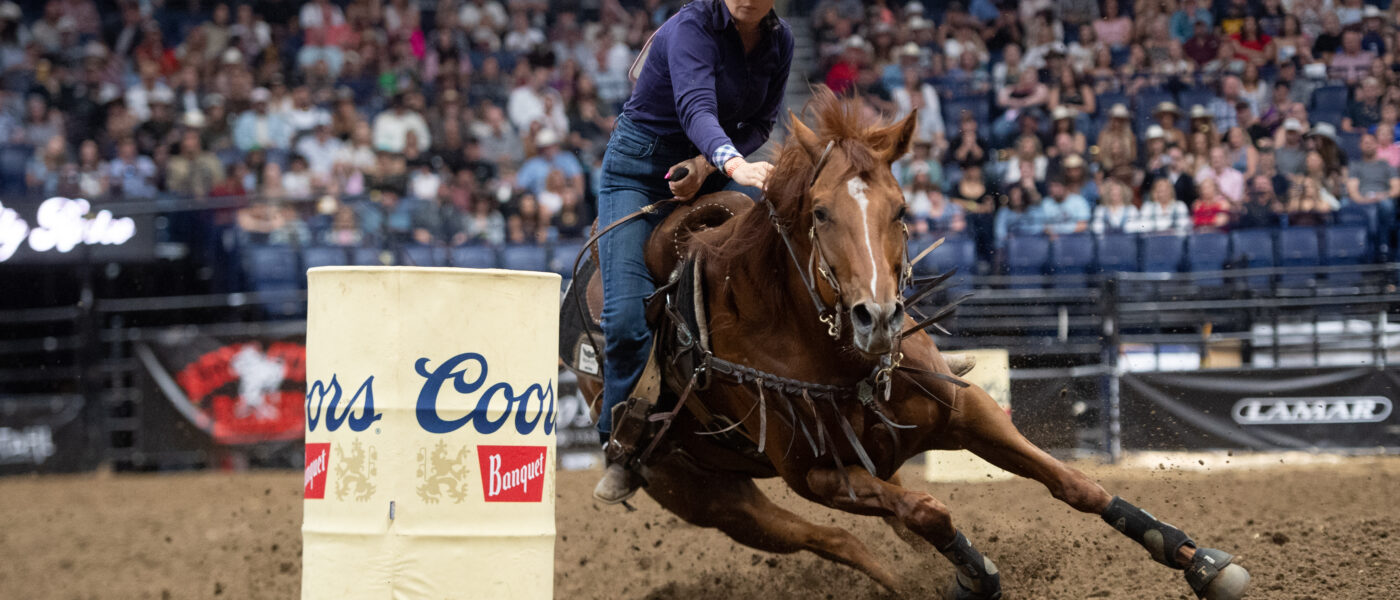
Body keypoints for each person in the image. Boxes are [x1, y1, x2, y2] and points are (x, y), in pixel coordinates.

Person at [592, 0, 793, 505]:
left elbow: (762, 122)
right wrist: (731, 162)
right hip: (638, 175)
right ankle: (619, 446)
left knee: (773, 260)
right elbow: (695, 107)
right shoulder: (690, 29)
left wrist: (708, 165)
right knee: (623, 318)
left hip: (710, 168)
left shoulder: (780, 41)